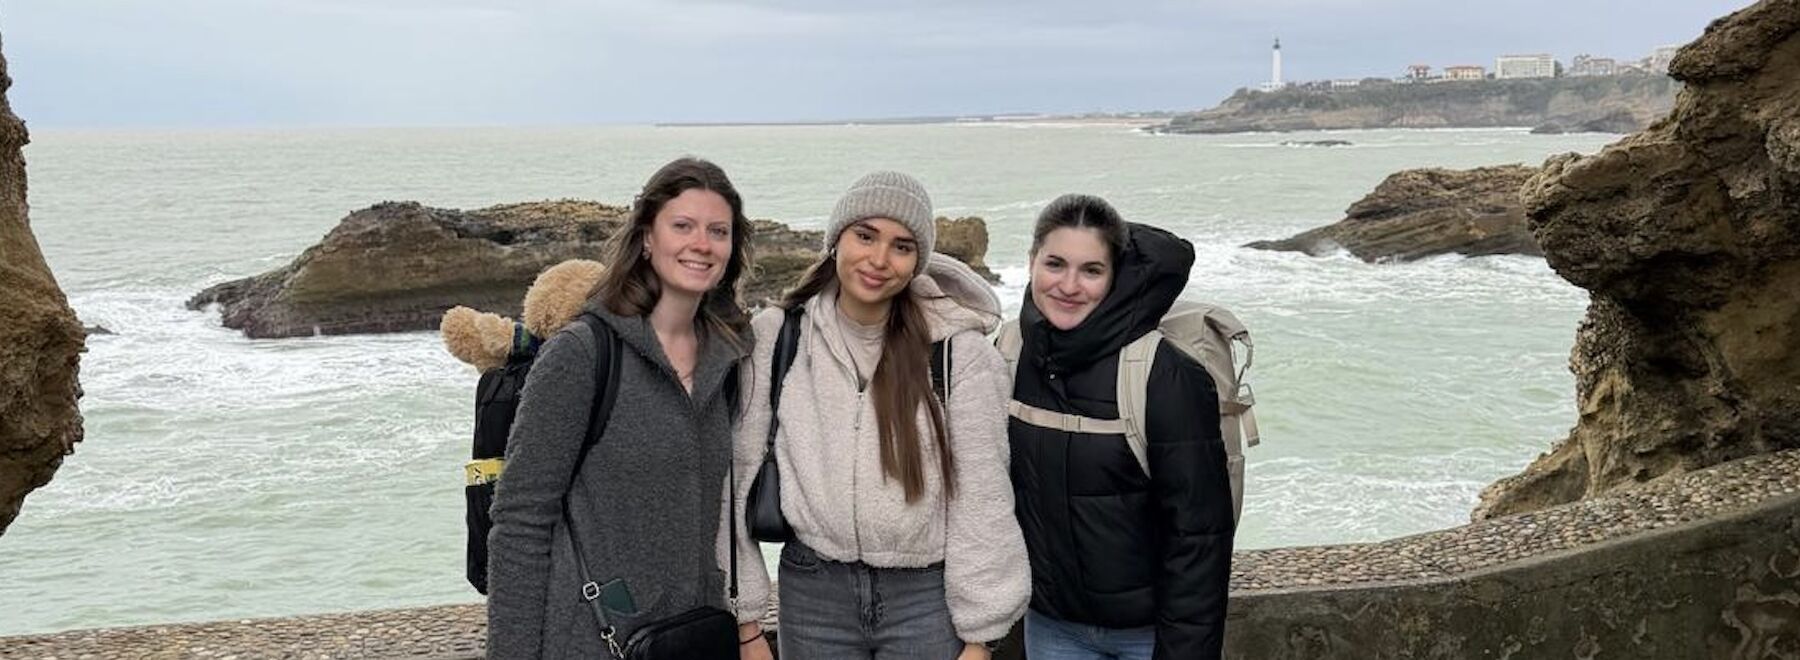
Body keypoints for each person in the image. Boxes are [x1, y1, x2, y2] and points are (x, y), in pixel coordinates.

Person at [727, 171, 1029, 660]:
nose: (879, 259)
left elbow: (984, 496)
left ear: (918, 261)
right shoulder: (778, 336)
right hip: (811, 590)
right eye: (865, 236)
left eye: (902, 246)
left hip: (926, 599)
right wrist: (746, 620)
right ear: (836, 239)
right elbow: (738, 475)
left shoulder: (958, 354)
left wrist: (982, 635)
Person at [486, 157, 757, 659]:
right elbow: (520, 520)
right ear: (648, 238)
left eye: (718, 231)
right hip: (591, 641)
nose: (702, 244)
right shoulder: (583, 353)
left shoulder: (730, 358)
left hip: (691, 639)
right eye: (683, 226)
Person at [1006, 194, 1235, 660]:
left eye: (1091, 270)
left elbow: (1199, 537)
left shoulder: (1161, 373)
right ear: (1031, 262)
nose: (1069, 285)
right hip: (1051, 627)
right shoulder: (1008, 352)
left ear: (1114, 277)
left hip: (1146, 637)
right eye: (1055, 264)